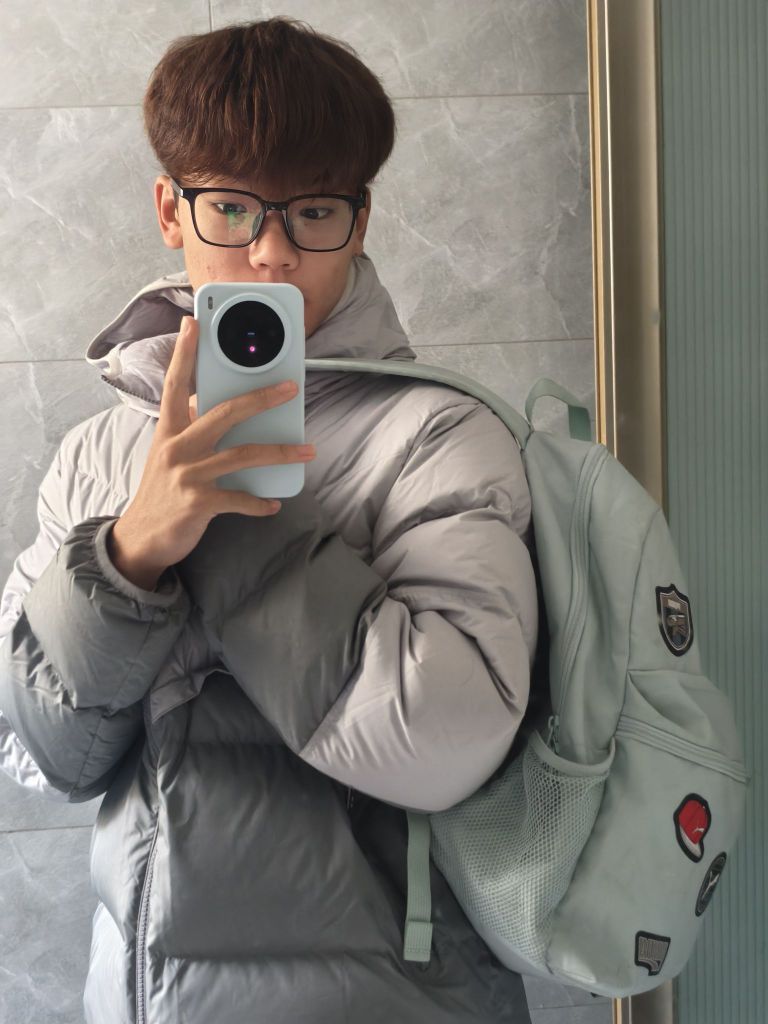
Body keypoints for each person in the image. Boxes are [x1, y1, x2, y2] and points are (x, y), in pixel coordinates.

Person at [0, 17, 538, 1023]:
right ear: (172, 209)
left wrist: (226, 517)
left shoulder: (439, 436)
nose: (273, 251)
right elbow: (42, 757)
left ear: (360, 221)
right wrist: (127, 555)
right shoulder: (101, 454)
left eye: (315, 211)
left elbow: (448, 744)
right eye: (233, 207)